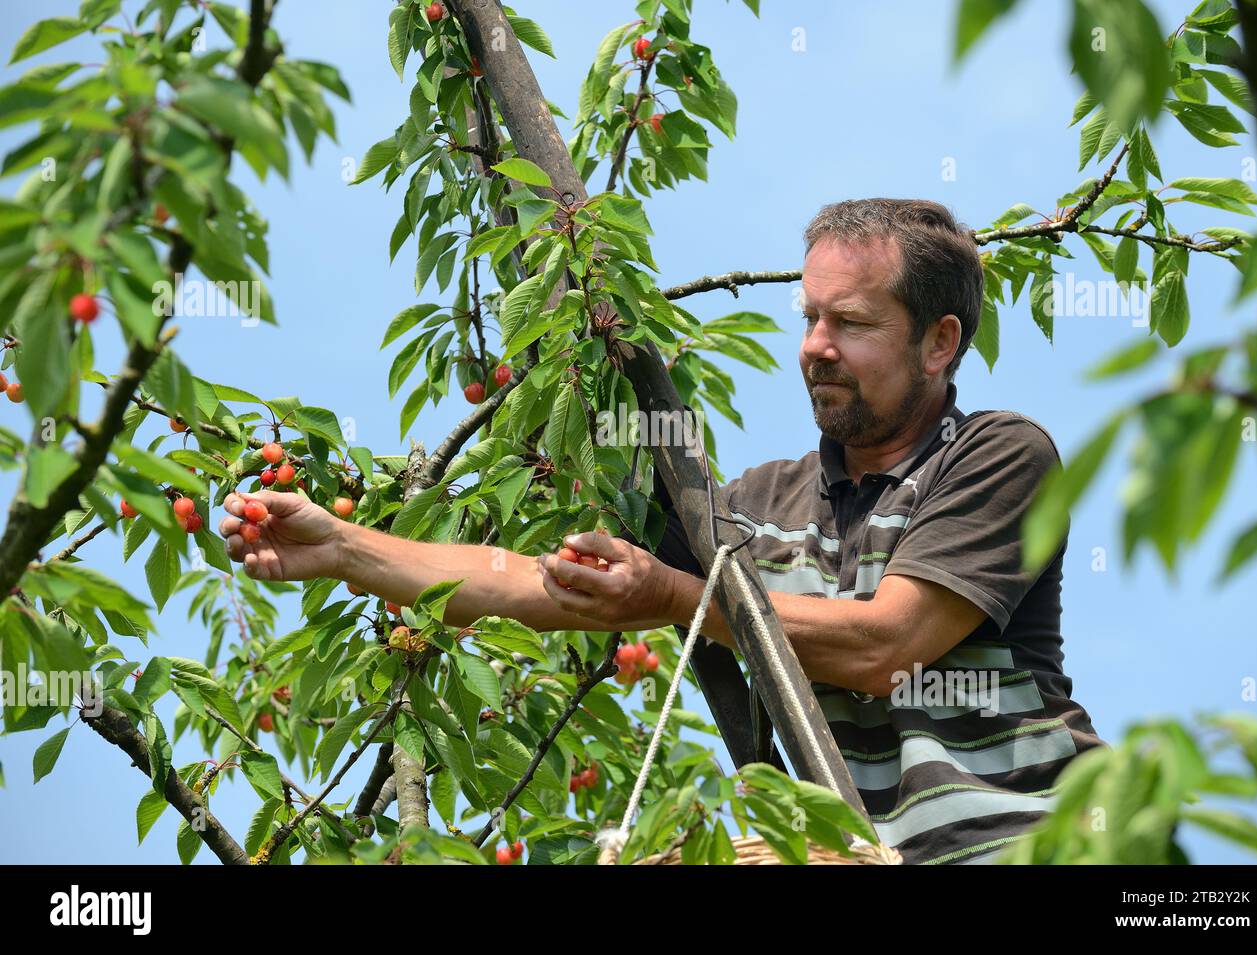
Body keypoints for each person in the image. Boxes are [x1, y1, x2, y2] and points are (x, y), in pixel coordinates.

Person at [222, 198, 1104, 865]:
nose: (816, 345)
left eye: (853, 323)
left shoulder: (998, 455)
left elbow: (889, 642)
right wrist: (343, 545)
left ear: (940, 342)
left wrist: (677, 596)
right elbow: (533, 581)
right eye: (809, 317)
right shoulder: (753, 509)